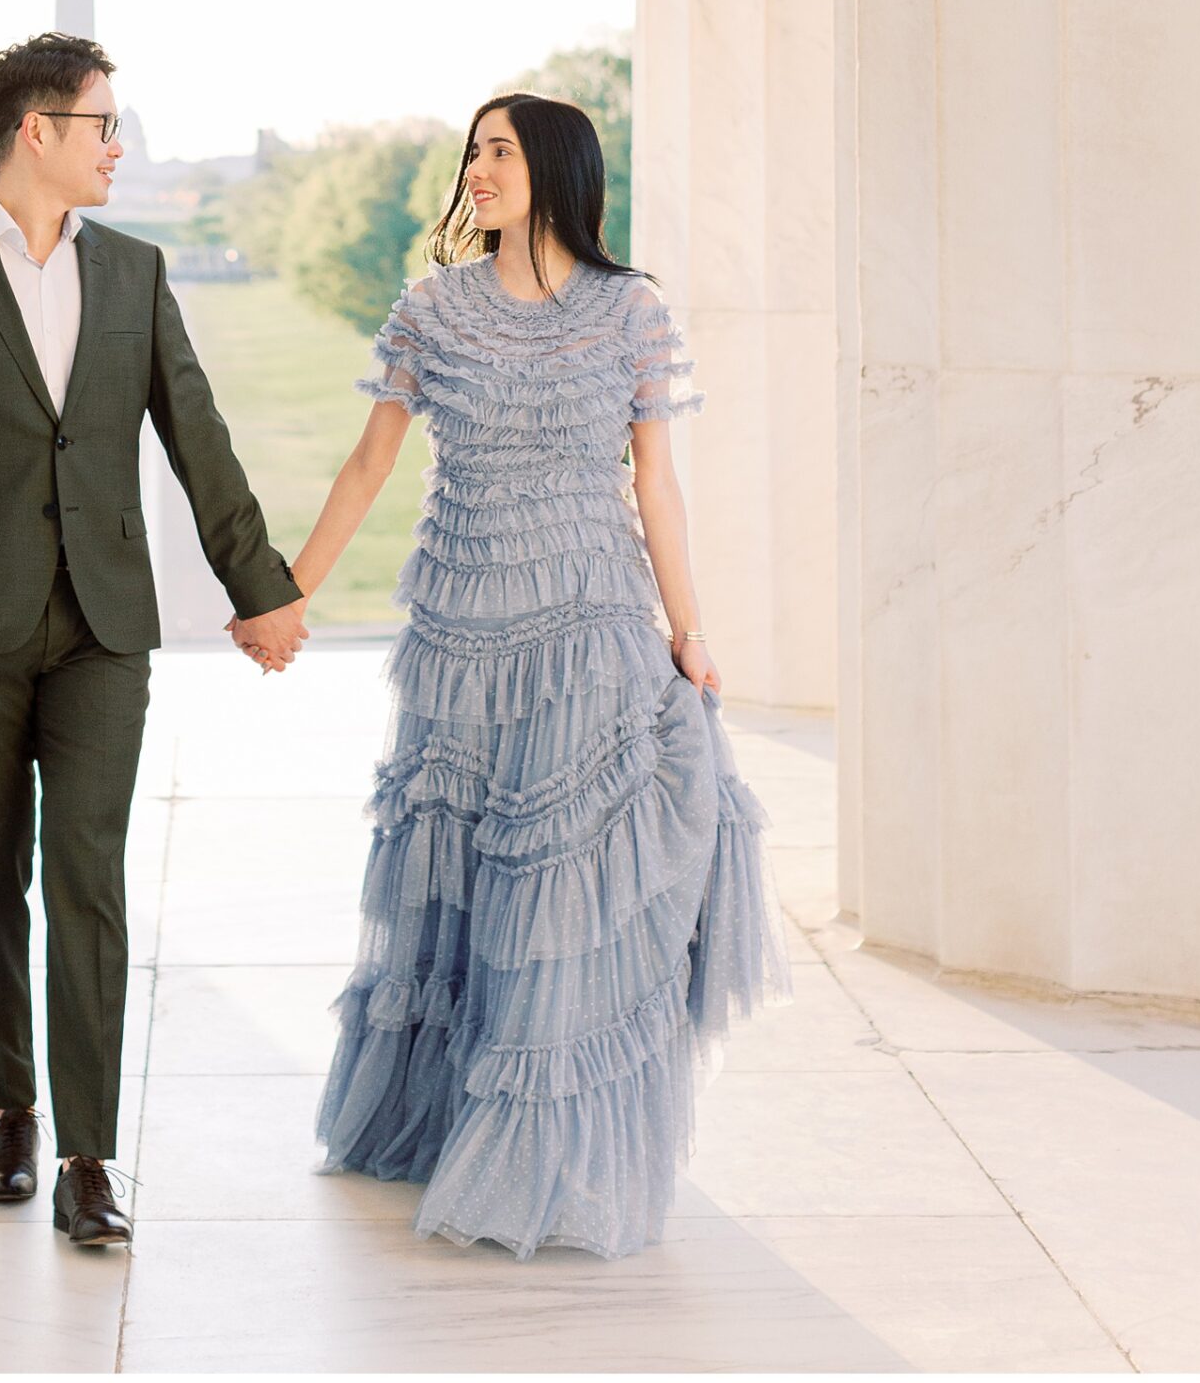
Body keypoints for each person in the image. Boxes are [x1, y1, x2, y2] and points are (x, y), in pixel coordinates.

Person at [239, 90, 791, 1259]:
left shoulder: (627, 310)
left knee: (558, 900)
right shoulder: (429, 308)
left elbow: (656, 486)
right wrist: (287, 590)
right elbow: (367, 462)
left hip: (589, 625)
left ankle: (551, 1156)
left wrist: (688, 629)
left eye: (496, 150)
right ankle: (449, 1122)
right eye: (471, 152)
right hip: (459, 633)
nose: (475, 170)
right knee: (457, 886)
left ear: (552, 166)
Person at [0, 32, 308, 1246]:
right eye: (103, 120)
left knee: (87, 881)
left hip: (106, 626)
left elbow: (194, 437)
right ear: (33, 131)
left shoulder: (139, 273)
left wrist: (256, 586)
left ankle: (89, 1155)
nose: (118, 142)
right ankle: (8, 1104)